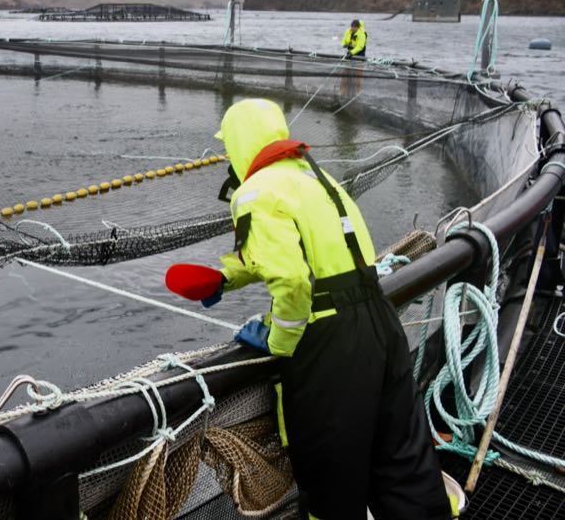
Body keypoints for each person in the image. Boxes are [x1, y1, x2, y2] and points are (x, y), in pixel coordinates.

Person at [165, 98, 452, 519]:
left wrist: (279, 339)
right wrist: (224, 277)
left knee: (331, 476)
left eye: (229, 148)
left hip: (332, 345)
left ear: (241, 142)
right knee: (402, 461)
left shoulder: (254, 193)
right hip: (380, 322)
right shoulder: (315, 178)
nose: (228, 158)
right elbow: (313, 255)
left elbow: (295, 282)